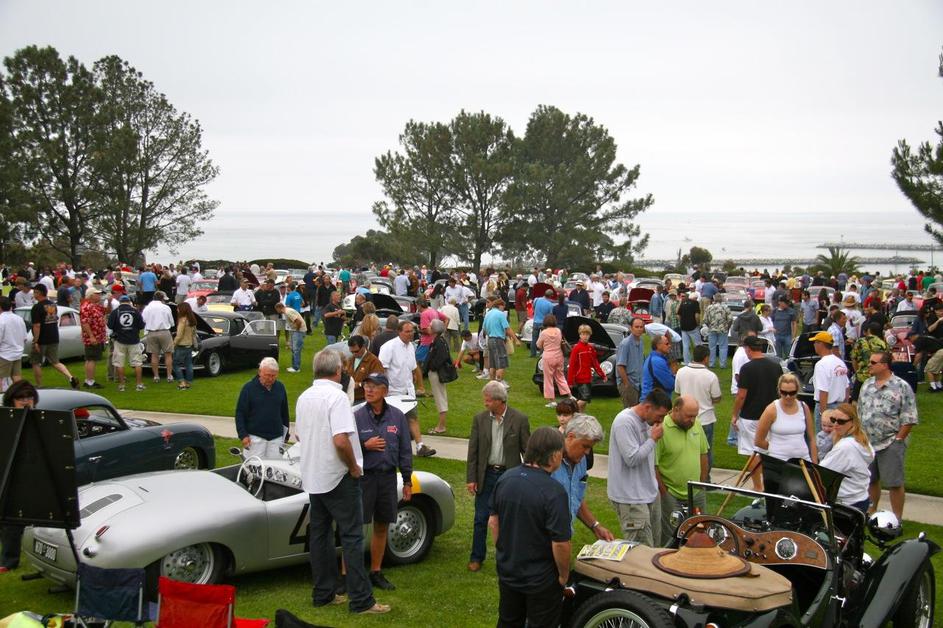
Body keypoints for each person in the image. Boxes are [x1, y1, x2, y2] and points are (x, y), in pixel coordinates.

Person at [296, 350, 389, 614]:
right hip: (338, 476)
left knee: (320, 535)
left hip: (314, 475)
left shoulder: (304, 397)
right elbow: (340, 440)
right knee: (351, 536)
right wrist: (353, 466)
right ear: (338, 371)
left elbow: (300, 435)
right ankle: (361, 600)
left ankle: (323, 593)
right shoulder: (337, 398)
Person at [488, 427, 570, 628]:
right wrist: (563, 575)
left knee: (508, 621)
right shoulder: (554, 492)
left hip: (509, 572)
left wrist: (504, 553)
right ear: (554, 456)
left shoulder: (505, 479)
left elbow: (493, 522)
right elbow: (560, 543)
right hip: (541, 580)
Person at [353, 373, 412, 592]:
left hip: (387, 478)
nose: (368, 390)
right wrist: (364, 445)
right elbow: (346, 447)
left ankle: (375, 572)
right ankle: (348, 575)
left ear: (385, 391)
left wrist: (407, 480)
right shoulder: (357, 416)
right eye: (366, 385)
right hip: (364, 479)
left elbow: (405, 450)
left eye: (374, 386)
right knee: (355, 527)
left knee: (382, 525)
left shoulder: (397, 416)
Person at [466, 380, 530, 572]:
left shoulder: (520, 419)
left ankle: (508, 558)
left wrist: (529, 476)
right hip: (486, 476)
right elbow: (473, 451)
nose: (484, 403)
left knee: (509, 520)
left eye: (487, 400)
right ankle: (476, 557)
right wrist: (471, 478)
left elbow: (527, 451)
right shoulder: (479, 419)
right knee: (480, 518)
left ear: (499, 401)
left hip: (509, 477)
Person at [607, 389, 671, 546]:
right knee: (641, 551)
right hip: (630, 498)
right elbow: (632, 459)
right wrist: (653, 439)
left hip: (649, 493)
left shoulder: (649, 422)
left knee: (655, 547)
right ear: (648, 407)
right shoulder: (624, 422)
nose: (661, 421)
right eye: (660, 416)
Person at [860, 351, 918, 520]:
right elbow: (860, 411)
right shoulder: (867, 385)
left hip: (890, 443)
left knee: (894, 483)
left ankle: (896, 518)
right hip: (868, 443)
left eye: (873, 362)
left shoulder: (901, 386)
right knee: (871, 480)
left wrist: (898, 440)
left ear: (885, 365)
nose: (869, 364)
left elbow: (909, 417)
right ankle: (871, 513)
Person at [655, 395, 709, 544]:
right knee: (671, 537)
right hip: (671, 494)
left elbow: (703, 454)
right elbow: (654, 466)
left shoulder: (696, 425)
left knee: (700, 534)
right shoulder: (661, 429)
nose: (692, 420)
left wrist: (701, 483)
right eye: (688, 416)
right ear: (676, 410)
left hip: (696, 493)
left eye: (695, 416)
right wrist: (664, 492)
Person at [730, 335, 782, 490]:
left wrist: (734, 415)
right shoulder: (776, 366)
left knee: (752, 452)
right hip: (773, 415)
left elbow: (741, 395)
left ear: (748, 349)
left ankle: (758, 486)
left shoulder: (747, 368)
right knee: (770, 451)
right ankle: (771, 485)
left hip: (751, 416)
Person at [378, 321, 435, 458]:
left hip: (408, 391)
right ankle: (388, 448)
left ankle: (420, 446)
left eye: (412, 331)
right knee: (391, 423)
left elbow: (414, 367)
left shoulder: (411, 346)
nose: (411, 334)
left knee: (412, 418)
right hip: (392, 392)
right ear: (399, 332)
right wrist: (383, 390)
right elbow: (381, 369)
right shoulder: (389, 347)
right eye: (407, 331)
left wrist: (420, 385)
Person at [0, 380, 39, 572]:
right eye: (21, 398)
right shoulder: (6, 420)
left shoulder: (40, 420)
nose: (25, 401)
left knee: (14, 520)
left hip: (31, 475)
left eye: (29, 397)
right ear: (12, 400)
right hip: (8, 473)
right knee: (8, 518)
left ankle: (9, 561)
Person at [674, 344, 721, 471]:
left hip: (684, 418)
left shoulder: (681, 372)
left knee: (685, 450)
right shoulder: (710, 376)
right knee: (705, 451)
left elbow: (678, 393)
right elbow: (717, 398)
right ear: (706, 358)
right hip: (705, 419)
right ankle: (705, 478)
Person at [820, 404, 874, 513]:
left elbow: (822, 472)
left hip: (846, 505)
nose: (835, 424)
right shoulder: (860, 439)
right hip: (860, 498)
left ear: (853, 422)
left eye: (841, 421)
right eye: (833, 420)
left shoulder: (845, 447)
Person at [754, 373, 817, 463]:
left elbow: (811, 438)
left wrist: (814, 462)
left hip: (803, 460)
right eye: (784, 392)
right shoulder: (771, 409)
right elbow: (758, 441)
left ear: (797, 390)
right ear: (779, 391)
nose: (788, 396)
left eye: (792, 393)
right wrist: (775, 449)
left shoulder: (804, 407)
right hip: (779, 462)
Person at [235, 357, 290, 459]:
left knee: (275, 467)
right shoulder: (248, 389)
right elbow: (240, 413)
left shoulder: (280, 388)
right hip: (255, 438)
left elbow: (284, 412)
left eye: (273, 376)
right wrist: (243, 435)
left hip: (276, 438)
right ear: (260, 372)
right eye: (268, 375)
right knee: (253, 467)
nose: (270, 379)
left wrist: (286, 435)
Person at [29, 284, 79, 389]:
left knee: (36, 362)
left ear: (39, 293)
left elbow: (37, 325)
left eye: (35, 292)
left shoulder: (37, 307)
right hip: (53, 336)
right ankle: (70, 377)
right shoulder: (52, 305)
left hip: (42, 339)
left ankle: (39, 384)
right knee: (55, 361)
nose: (33, 294)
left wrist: (36, 341)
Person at [809, 331, 849, 431]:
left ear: (821, 344)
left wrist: (823, 414)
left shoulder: (821, 364)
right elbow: (847, 387)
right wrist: (845, 407)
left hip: (826, 406)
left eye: (815, 342)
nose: (813, 345)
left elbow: (823, 391)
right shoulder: (840, 362)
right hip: (840, 406)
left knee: (823, 437)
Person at [107, 295, 146, 391]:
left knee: (119, 363)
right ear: (129, 302)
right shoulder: (135, 311)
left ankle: (122, 385)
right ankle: (139, 385)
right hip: (134, 340)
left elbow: (110, 325)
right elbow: (141, 325)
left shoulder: (115, 312)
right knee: (137, 363)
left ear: (120, 302)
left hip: (120, 340)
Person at [567, 323, 606, 412]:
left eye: (587, 334)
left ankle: (581, 416)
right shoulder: (576, 348)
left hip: (588, 377)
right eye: (583, 334)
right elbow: (572, 365)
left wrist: (602, 375)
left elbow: (595, 363)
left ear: (590, 335)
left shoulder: (590, 348)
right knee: (585, 398)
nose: (585, 336)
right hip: (580, 378)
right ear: (579, 335)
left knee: (583, 400)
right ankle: (570, 411)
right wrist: (570, 381)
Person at [423, 319, 452, 434]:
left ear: (434, 329)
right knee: (440, 397)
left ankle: (441, 426)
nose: (428, 328)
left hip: (436, 373)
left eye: (430, 326)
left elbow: (442, 357)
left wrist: (432, 367)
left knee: (440, 398)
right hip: (435, 372)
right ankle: (441, 424)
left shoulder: (439, 342)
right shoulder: (437, 340)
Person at [536, 314, 570, 408]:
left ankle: (552, 400)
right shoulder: (558, 331)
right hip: (559, 356)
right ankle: (570, 396)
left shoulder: (544, 333)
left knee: (548, 379)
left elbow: (538, 345)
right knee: (560, 377)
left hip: (548, 356)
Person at [481, 299, 516, 387]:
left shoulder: (488, 314)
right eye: (503, 306)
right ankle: (499, 382)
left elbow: (484, 329)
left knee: (492, 364)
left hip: (490, 339)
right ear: (500, 305)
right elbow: (507, 329)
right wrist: (516, 339)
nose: (504, 308)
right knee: (501, 363)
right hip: (498, 340)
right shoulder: (500, 314)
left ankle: (491, 383)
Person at [142, 291, 175, 383]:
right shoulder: (166, 307)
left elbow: (143, 320)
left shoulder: (147, 308)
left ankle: (156, 376)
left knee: (154, 354)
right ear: (162, 299)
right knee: (168, 354)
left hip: (151, 332)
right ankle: (169, 376)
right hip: (164, 331)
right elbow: (172, 322)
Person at [850, 322, 888, 401]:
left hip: (862, 377)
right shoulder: (883, 343)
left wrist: (858, 371)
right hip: (877, 377)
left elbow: (854, 358)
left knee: (855, 401)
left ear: (869, 330)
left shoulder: (860, 341)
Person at [616, 318, 646, 408]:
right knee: (630, 411)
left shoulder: (641, 342)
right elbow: (620, 366)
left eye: (641, 327)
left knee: (638, 410)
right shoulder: (625, 344)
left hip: (638, 383)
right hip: (629, 382)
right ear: (631, 328)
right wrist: (627, 384)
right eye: (637, 327)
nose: (639, 329)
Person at [345, 335, 384, 402]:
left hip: (364, 399)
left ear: (363, 346)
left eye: (356, 351)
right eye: (351, 352)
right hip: (350, 398)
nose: (354, 354)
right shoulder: (350, 360)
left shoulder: (374, 361)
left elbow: (379, 380)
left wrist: (360, 384)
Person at [0, 297, 27, 392]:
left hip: (4, 354)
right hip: (17, 352)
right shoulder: (19, 318)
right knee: (16, 377)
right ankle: (20, 395)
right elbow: (24, 337)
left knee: (1, 379)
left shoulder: (1, 320)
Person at [172, 301, 198, 390]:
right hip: (189, 345)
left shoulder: (182, 320)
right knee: (189, 364)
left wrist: (173, 344)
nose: (177, 310)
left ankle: (182, 382)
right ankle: (188, 382)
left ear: (182, 309)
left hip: (181, 345)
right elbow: (194, 334)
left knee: (175, 364)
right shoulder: (192, 320)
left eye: (178, 308)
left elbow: (179, 335)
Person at [275, 301, 307, 374]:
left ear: (279, 308)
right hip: (294, 331)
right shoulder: (287, 311)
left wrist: (296, 330)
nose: (277, 312)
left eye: (277, 310)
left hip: (298, 331)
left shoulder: (288, 312)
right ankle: (294, 366)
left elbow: (298, 322)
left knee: (296, 349)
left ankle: (296, 368)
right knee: (293, 349)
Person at [641, 334, 675, 400]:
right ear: (658, 345)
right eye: (667, 344)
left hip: (653, 401)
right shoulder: (657, 361)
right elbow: (670, 385)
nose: (669, 346)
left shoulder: (654, 358)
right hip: (653, 402)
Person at [703, 293, 733, 368]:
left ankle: (711, 363)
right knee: (723, 347)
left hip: (712, 329)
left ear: (714, 299)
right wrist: (728, 327)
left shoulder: (709, 307)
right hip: (723, 329)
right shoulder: (725, 307)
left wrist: (709, 326)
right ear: (721, 299)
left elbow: (705, 319)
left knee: (711, 347)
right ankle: (722, 364)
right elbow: (730, 319)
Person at [678, 291, 701, 364]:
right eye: (696, 298)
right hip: (693, 327)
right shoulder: (695, 303)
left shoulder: (683, 302)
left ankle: (687, 362)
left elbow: (678, 315)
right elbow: (697, 315)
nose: (696, 299)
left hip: (683, 327)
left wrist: (682, 322)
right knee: (697, 345)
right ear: (694, 298)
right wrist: (698, 324)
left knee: (685, 346)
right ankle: (698, 361)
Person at [531, 289, 554, 358]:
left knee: (534, 339)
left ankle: (533, 353)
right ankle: (541, 354)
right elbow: (550, 315)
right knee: (544, 339)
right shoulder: (550, 304)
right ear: (550, 296)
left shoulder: (536, 300)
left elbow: (533, 307)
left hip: (535, 321)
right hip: (544, 323)